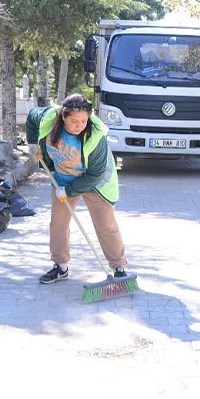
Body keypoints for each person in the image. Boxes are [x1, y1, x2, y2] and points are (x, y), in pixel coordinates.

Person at [25, 93, 128, 284]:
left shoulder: (95, 137)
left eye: (83, 121)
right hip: (63, 179)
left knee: (106, 225)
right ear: (63, 116)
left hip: (94, 183)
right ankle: (60, 266)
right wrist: (33, 143)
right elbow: (32, 116)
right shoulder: (49, 118)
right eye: (74, 121)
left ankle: (119, 268)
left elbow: (95, 174)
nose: (79, 125)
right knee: (58, 224)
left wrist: (69, 191)